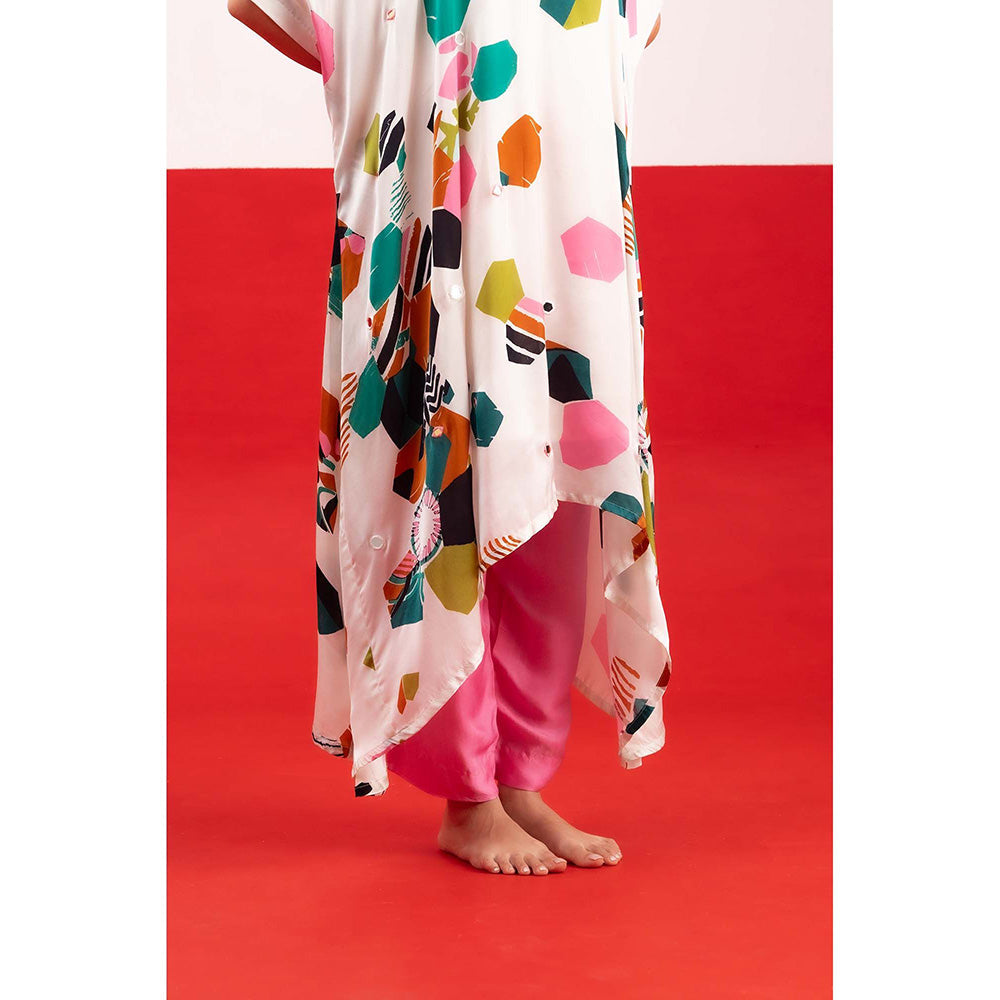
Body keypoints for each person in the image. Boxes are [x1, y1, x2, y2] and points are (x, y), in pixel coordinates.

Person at [229, 0, 671, 876]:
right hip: (433, 229)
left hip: (558, 225)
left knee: (559, 490)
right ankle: (468, 795)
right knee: (442, 490)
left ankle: (520, 774)